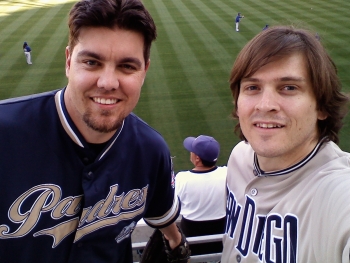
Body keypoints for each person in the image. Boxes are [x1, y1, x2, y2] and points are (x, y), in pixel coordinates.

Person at [0, 0, 188, 262]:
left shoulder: (151, 150)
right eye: (91, 62)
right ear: (68, 62)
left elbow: (163, 216)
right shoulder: (5, 134)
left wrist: (175, 240)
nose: (108, 83)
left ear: (145, 71)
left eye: (127, 66)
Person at [222, 25, 350, 262]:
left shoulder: (338, 194)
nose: (265, 104)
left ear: (321, 106)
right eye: (252, 87)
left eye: (289, 88)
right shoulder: (239, 157)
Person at [175, 135, 227, 256]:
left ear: (197, 159)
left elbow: (171, 208)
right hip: (221, 236)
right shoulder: (227, 174)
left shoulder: (182, 179)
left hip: (191, 237)